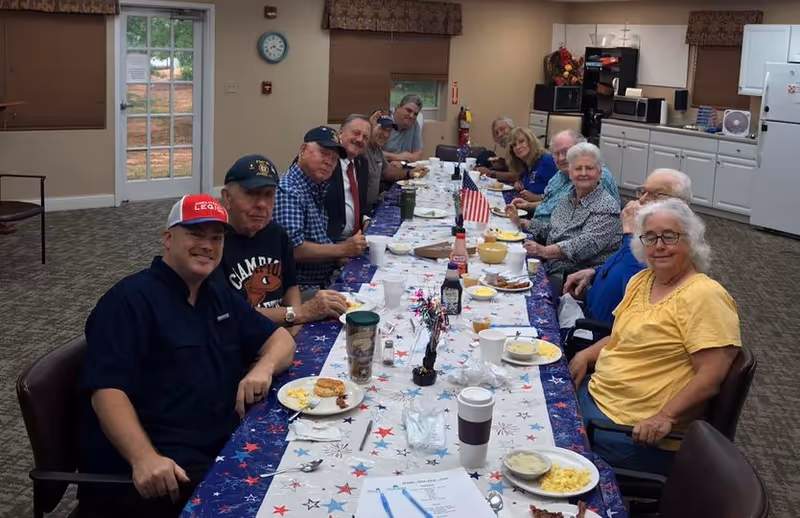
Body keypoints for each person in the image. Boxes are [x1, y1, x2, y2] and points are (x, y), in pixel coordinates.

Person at [79, 194, 296, 518]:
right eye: (196, 234)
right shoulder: (128, 301)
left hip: (223, 443)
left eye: (216, 237)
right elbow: (107, 393)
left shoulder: (216, 293)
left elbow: (281, 340)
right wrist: (144, 458)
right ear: (167, 239)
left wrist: (263, 367)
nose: (207, 245)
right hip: (169, 467)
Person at [570, 199, 741, 475]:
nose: (659, 245)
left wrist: (665, 416)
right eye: (650, 237)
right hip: (598, 398)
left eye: (670, 236)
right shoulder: (643, 280)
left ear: (692, 241)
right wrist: (586, 355)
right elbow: (622, 337)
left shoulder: (705, 296)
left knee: (550, 441)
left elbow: (710, 377)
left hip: (629, 430)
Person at [218, 154, 348, 335]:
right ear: (227, 198)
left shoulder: (277, 234)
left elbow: (290, 287)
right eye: (252, 194)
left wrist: (295, 326)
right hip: (241, 337)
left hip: (282, 327)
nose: (262, 204)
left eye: (269, 195)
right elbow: (233, 315)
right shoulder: (214, 244)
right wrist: (297, 314)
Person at [562, 169, 693, 328]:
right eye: (643, 192)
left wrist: (630, 234)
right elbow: (622, 263)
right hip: (587, 312)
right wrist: (596, 272)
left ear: (681, 204)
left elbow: (639, 284)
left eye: (656, 195)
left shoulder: (672, 243)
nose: (643, 200)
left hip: (604, 335)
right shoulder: (646, 230)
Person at [274, 126, 367, 293]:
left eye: (334, 158)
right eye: (324, 154)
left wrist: (338, 256)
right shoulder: (289, 191)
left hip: (324, 279)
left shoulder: (315, 186)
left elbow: (317, 240)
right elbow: (294, 249)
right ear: (303, 150)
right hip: (299, 289)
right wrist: (342, 249)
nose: (328, 162)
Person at [508, 142, 621, 277]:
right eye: (578, 168)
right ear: (570, 173)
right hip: (551, 265)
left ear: (599, 173)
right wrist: (522, 223)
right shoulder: (568, 197)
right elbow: (553, 229)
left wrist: (545, 251)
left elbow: (586, 244)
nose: (583, 173)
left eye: (589, 168)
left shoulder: (607, 206)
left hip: (577, 277)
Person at [513, 130, 620, 222]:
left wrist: (548, 246)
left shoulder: (593, 176)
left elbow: (584, 224)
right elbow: (551, 204)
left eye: (565, 152)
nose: (561, 158)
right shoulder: (561, 173)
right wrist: (528, 205)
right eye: (556, 153)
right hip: (540, 228)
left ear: (580, 148)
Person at [363, 111, 427, 209]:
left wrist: (410, 173)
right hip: (361, 210)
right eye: (382, 129)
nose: (385, 135)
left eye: (389, 131)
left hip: (373, 205)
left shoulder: (377, 149)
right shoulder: (362, 148)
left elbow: (387, 172)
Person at [326, 114, 372, 242]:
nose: (360, 139)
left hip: (357, 238)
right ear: (340, 133)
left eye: (365, 137)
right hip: (331, 242)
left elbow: (360, 202)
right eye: (356, 133)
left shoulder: (362, 163)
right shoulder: (328, 162)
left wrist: (364, 218)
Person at [494, 128, 558, 198]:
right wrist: (518, 183)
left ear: (530, 142)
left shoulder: (546, 160)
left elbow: (559, 194)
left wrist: (536, 197)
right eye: (514, 145)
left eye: (521, 142)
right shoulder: (524, 165)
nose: (518, 147)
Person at [383, 94, 424, 162]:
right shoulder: (384, 119)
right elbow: (372, 153)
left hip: (404, 167)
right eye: (408, 110)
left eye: (415, 114)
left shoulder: (414, 124)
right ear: (398, 107)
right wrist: (397, 157)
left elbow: (418, 153)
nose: (411, 116)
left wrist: (410, 158)